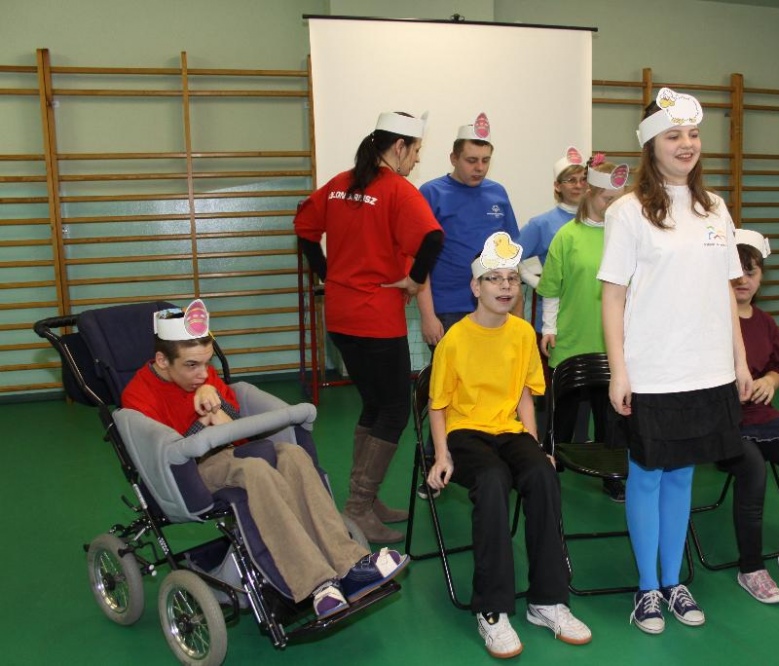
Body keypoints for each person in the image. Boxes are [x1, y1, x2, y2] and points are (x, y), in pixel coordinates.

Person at [121, 300, 410, 620]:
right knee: (256, 471)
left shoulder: (204, 377)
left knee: (293, 455)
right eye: (191, 365)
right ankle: (315, 583)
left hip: (229, 451)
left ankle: (351, 566)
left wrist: (215, 406)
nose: (203, 374)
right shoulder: (138, 397)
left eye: (206, 363)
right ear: (162, 361)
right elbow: (172, 452)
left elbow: (231, 425)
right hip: (189, 470)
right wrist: (204, 420)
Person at [598, 87, 753, 635]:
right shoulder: (627, 211)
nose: (686, 144)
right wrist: (620, 370)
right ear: (651, 144)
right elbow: (612, 295)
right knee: (646, 476)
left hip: (707, 369)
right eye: (673, 135)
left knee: (683, 475)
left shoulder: (715, 208)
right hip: (653, 371)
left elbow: (726, 290)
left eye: (692, 134)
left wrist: (739, 362)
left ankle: (673, 580)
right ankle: (646, 588)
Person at [425, 233, 592, 659]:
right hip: (465, 432)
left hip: (509, 430)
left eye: (512, 279)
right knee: (493, 480)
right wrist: (441, 455)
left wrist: (535, 445)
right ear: (475, 287)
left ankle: (547, 600)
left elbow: (524, 396)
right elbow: (438, 406)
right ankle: (492, 609)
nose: (505, 286)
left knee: (542, 474)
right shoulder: (454, 340)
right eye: (494, 278)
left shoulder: (521, 334)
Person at [294, 110, 444, 543]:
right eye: (416, 151)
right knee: (394, 409)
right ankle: (358, 508)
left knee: (375, 406)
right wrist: (415, 280)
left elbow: (304, 228)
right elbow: (433, 238)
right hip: (376, 318)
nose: (416, 159)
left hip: (341, 315)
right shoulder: (396, 189)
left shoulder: (339, 184)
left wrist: (327, 274)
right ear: (399, 146)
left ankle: (367, 498)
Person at [718, 228, 779, 604]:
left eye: (751, 272)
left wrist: (771, 381)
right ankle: (751, 568)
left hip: (764, 417)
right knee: (753, 471)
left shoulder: (766, 322)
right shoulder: (712, 321)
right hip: (723, 422)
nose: (743, 280)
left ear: (761, 277)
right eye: (736, 272)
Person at [536, 155, 629, 501]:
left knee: (610, 416)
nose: (613, 206)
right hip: (573, 339)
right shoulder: (567, 236)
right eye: (607, 199)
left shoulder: (626, 236)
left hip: (613, 342)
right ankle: (549, 468)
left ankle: (611, 476)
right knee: (563, 414)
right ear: (589, 193)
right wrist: (549, 328)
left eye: (617, 200)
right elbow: (551, 288)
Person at [417, 112, 520, 347]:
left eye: (485, 160)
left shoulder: (498, 193)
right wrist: (428, 316)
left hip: (493, 304)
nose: (479, 168)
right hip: (447, 309)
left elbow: (509, 257)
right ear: (454, 158)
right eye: (471, 160)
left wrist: (514, 308)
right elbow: (419, 260)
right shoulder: (432, 193)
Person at [518, 146, 587, 332]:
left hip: (588, 314)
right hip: (552, 320)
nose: (579, 185)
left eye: (583, 179)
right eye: (571, 180)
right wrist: (533, 280)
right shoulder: (541, 224)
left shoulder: (599, 221)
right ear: (557, 186)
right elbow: (508, 258)